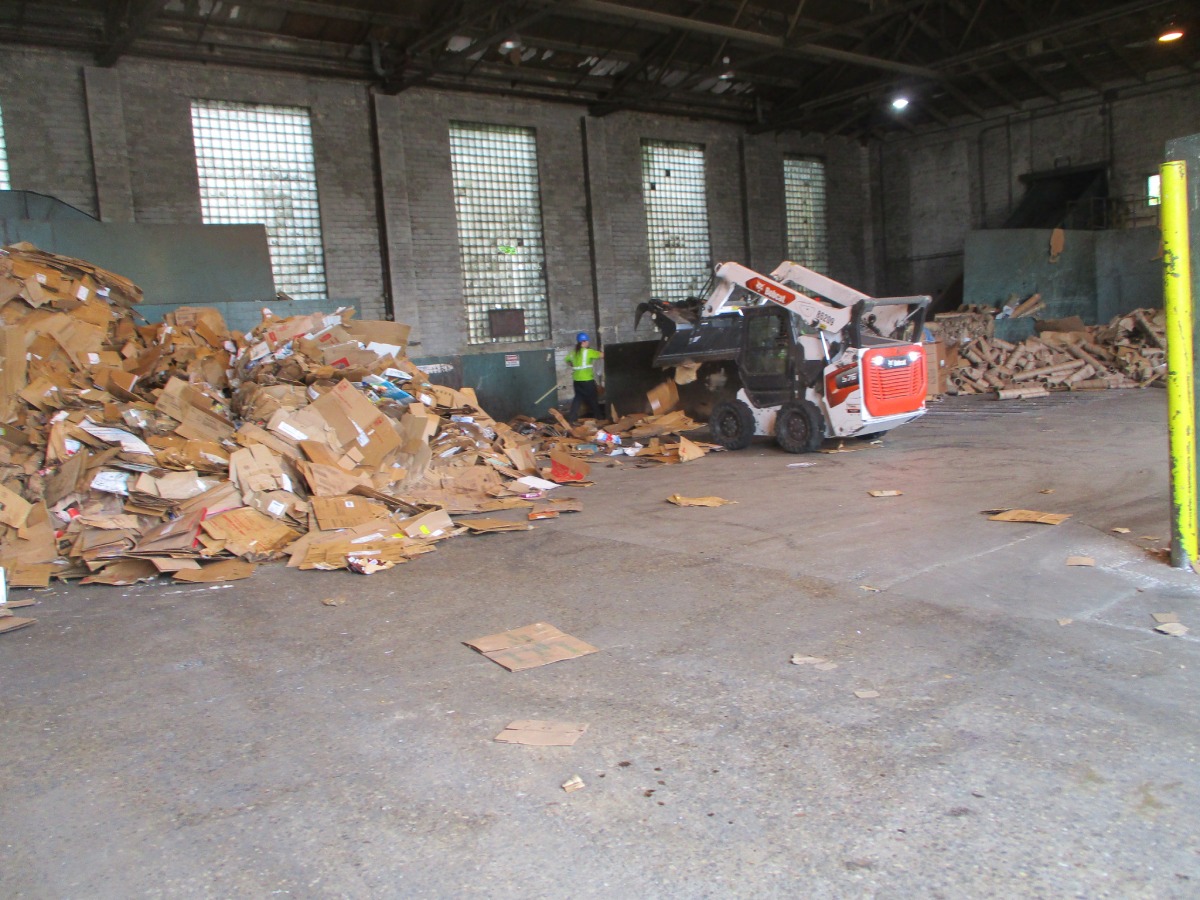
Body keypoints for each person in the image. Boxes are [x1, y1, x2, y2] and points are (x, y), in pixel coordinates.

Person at [565, 332, 605, 423]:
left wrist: (572, 364)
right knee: (593, 399)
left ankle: (571, 418)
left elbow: (567, 360)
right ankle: (599, 417)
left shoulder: (573, 353)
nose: (588, 343)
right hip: (587, 381)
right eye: (587, 341)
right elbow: (602, 355)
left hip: (577, 381)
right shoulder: (588, 352)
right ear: (584, 341)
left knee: (577, 399)